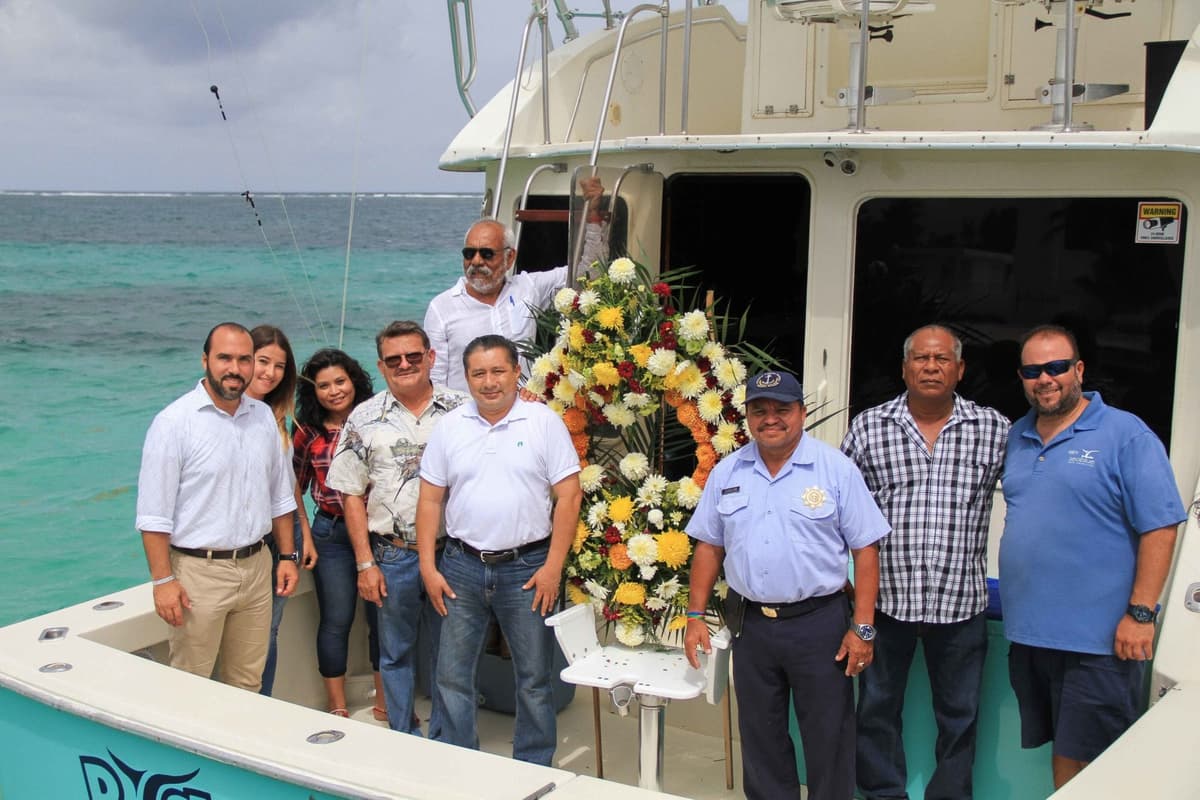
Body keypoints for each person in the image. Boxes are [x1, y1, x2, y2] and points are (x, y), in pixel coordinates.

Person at [685, 369, 890, 800]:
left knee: (828, 737)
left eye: (781, 409)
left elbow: (865, 551)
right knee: (761, 737)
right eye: (759, 410)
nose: (770, 418)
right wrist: (694, 615)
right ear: (747, 417)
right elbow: (708, 547)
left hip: (819, 626)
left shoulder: (834, 468)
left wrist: (863, 628)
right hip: (753, 626)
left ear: (801, 412)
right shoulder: (728, 471)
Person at [1000, 324, 1185, 789]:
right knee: (1066, 753)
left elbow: (1160, 526)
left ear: (1078, 370)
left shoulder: (1125, 433)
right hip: (1033, 636)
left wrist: (1141, 613)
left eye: (1057, 367)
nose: (1046, 378)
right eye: (1033, 370)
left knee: (1099, 763)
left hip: (1099, 642)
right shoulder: (1018, 436)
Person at [841, 325, 1010, 800]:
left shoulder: (994, 429)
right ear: (904, 368)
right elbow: (840, 511)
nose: (930, 366)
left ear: (959, 369)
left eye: (941, 359)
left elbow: (1032, 495)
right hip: (886, 605)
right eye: (920, 358)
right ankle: (881, 795)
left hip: (961, 606)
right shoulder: (870, 427)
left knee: (960, 719)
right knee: (875, 710)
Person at [416, 334, 582, 766]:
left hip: (528, 569)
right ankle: (459, 763)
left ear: (515, 372)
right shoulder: (450, 427)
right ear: (467, 378)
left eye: (498, 371)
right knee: (452, 675)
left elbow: (569, 496)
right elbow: (430, 499)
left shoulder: (543, 422)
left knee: (533, 678)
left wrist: (552, 568)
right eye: (479, 373)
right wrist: (428, 568)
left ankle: (532, 765)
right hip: (461, 567)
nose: (489, 382)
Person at [135, 322, 299, 692]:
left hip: (258, 567)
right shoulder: (174, 423)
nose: (235, 369)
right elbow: (153, 515)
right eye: (225, 358)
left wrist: (287, 555)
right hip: (198, 574)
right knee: (192, 684)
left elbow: (280, 497)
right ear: (205, 359)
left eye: (244, 359)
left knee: (248, 683)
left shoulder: (262, 418)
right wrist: (163, 582)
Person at [325, 321, 467, 734]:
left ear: (431, 357)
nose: (405, 364)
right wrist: (364, 564)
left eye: (413, 356)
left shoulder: (464, 410)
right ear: (382, 366)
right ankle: (403, 736)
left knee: (452, 655)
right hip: (392, 554)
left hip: (452, 554)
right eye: (394, 360)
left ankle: (449, 741)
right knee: (395, 653)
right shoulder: (363, 417)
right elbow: (350, 493)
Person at [423, 177, 606, 391]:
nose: (476, 261)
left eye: (487, 254)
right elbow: (434, 380)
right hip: (467, 417)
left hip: (522, 414)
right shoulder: (441, 308)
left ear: (510, 258)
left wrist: (593, 217)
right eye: (469, 253)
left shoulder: (528, 288)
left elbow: (587, 276)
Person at [293, 347, 387, 719]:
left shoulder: (377, 420)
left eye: (340, 381)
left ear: (355, 381)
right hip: (331, 534)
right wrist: (304, 534)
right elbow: (293, 487)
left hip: (378, 533)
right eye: (324, 385)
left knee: (383, 620)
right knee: (336, 619)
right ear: (313, 391)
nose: (334, 391)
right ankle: (337, 706)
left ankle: (384, 701)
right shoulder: (307, 432)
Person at [246, 325, 318, 697]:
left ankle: (263, 702)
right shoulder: (228, 415)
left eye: (279, 365)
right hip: (247, 538)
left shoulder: (277, 417)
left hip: (282, 534)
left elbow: (288, 486)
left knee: (269, 631)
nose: (270, 373)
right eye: (263, 361)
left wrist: (303, 532)